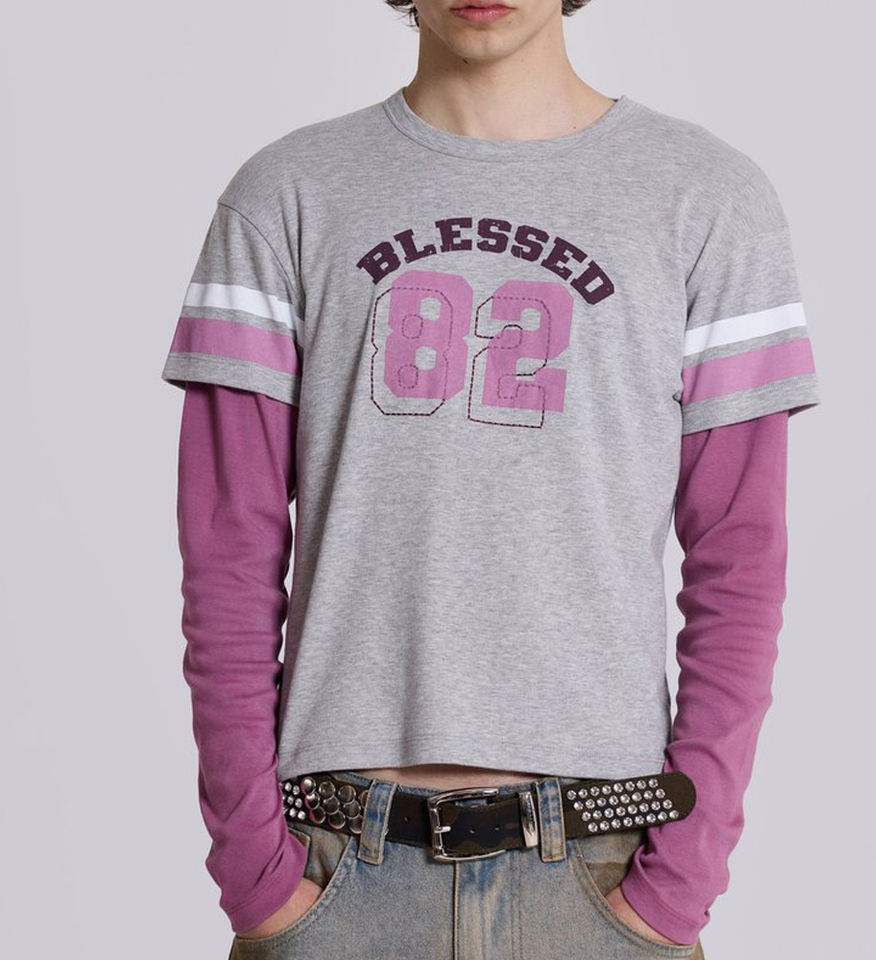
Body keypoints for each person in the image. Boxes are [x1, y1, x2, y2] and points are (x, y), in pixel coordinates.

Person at [161, 1, 820, 956]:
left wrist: (678, 884)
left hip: (601, 871)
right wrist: (255, 875)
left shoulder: (709, 200)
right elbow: (227, 553)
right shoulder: (284, 196)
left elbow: (741, 563)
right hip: (335, 870)